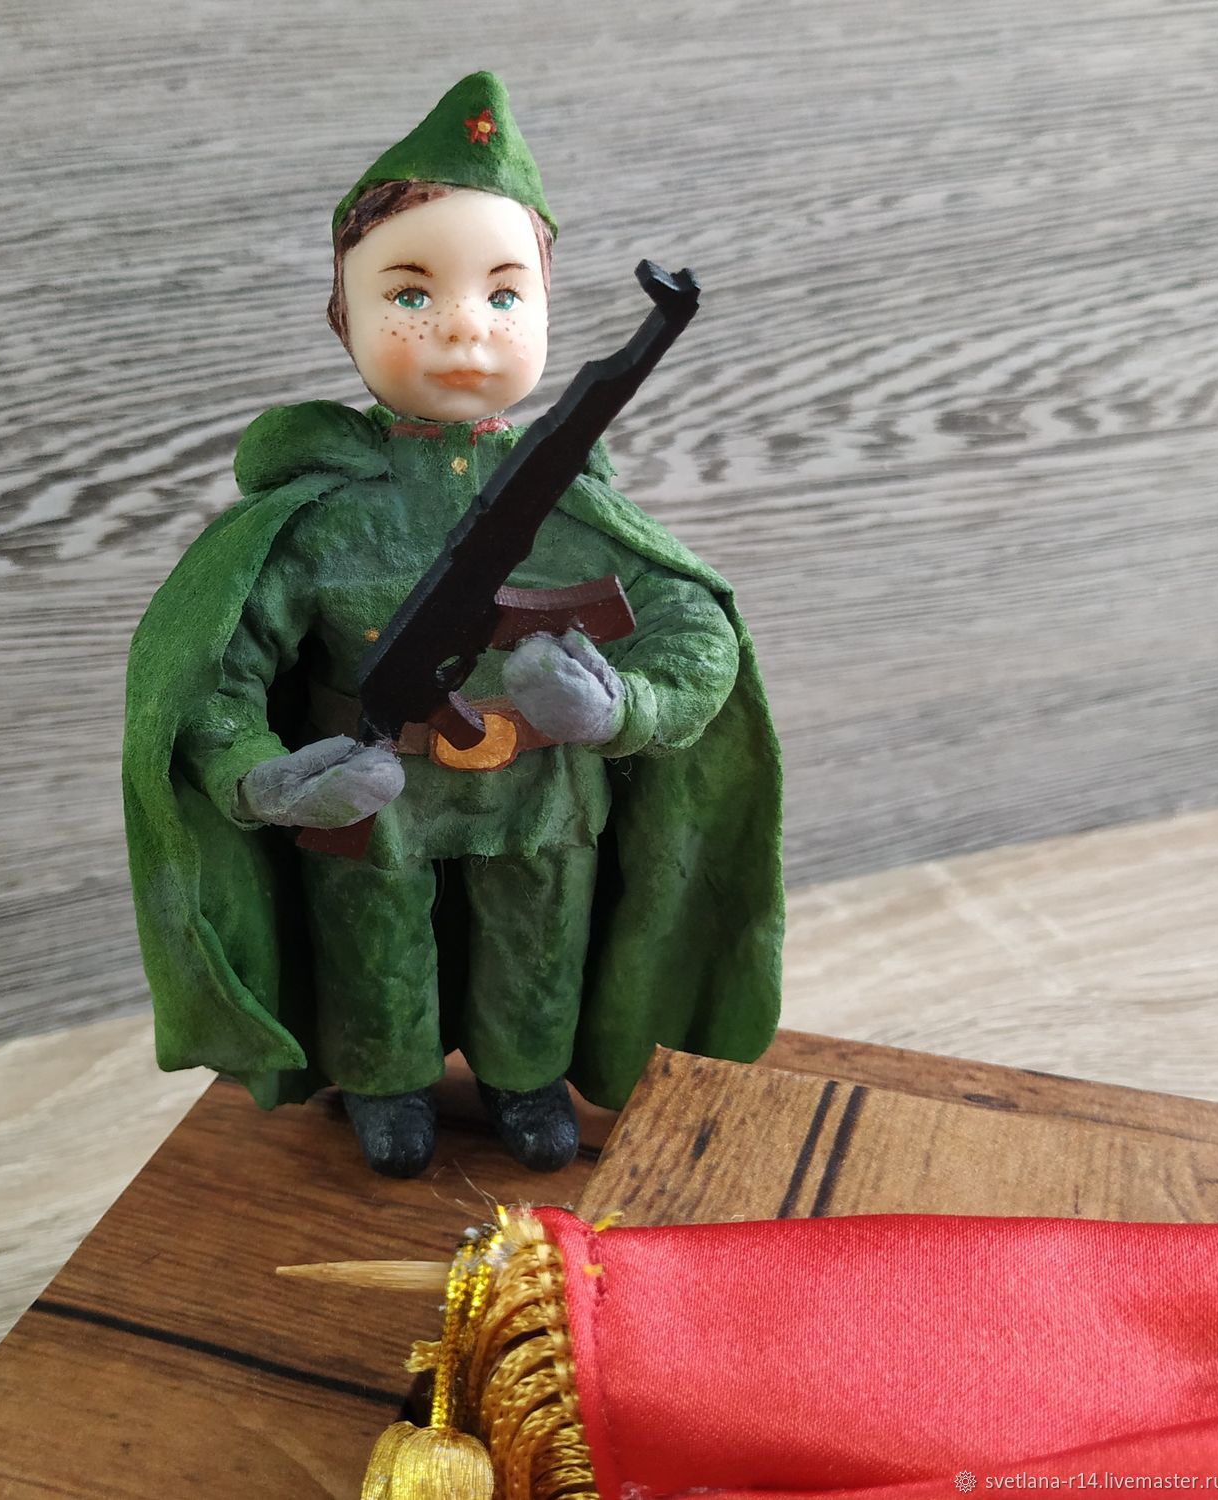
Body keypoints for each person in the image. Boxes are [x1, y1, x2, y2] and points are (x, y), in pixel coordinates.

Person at [122, 73, 784, 1177]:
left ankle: (528, 1079)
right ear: (344, 315)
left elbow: (695, 634)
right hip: (375, 782)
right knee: (372, 940)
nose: (464, 325)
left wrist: (624, 706)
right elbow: (212, 676)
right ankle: (386, 1085)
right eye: (410, 292)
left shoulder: (571, 504)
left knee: (541, 939)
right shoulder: (322, 515)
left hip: (539, 789)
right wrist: (259, 776)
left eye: (506, 294)